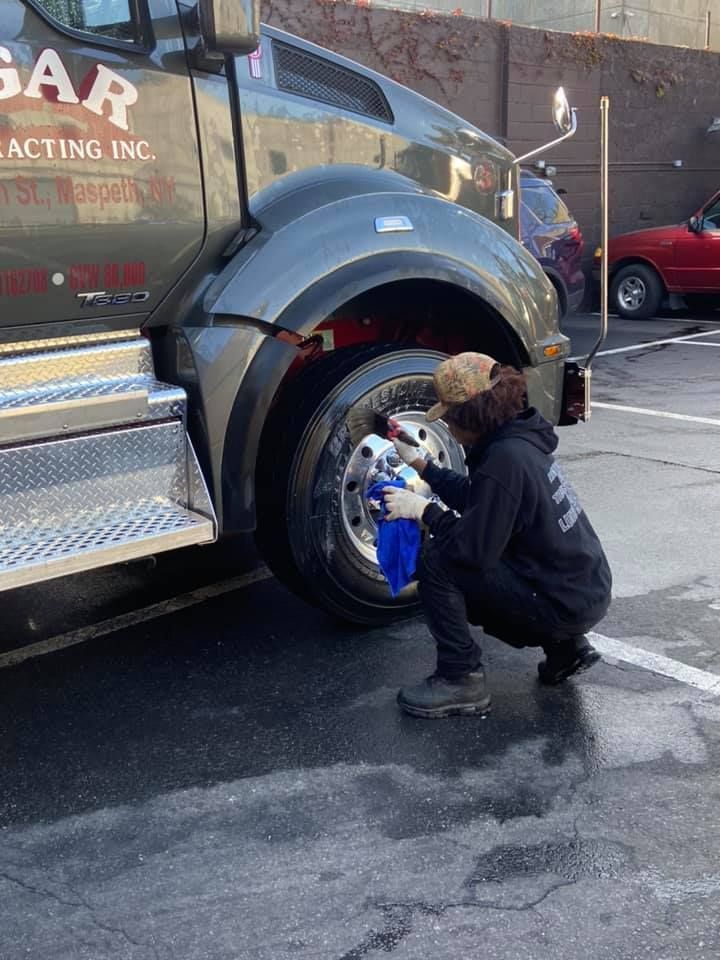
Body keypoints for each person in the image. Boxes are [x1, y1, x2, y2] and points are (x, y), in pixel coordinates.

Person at [382, 352, 612, 719]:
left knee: (438, 561)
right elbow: (482, 500)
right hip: (584, 591)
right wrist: (422, 466)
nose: (450, 429)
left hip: (559, 604)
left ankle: (460, 678)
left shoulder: (503, 462)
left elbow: (470, 551)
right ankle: (567, 650)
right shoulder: (520, 443)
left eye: (450, 417)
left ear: (466, 416)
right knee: (495, 545)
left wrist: (424, 511)